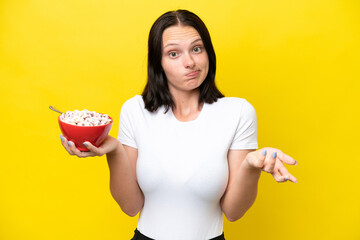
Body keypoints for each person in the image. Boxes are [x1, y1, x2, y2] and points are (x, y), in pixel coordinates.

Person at [60, 9, 297, 240]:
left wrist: (250, 166)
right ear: (158, 63)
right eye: (174, 53)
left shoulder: (238, 112)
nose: (190, 62)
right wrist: (113, 150)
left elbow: (233, 212)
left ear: (208, 53)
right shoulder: (135, 110)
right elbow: (130, 206)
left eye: (197, 49)